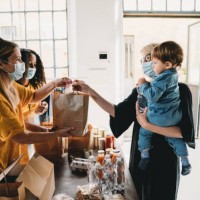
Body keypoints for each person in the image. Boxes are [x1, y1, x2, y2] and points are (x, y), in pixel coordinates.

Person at [72, 43, 195, 200]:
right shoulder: (141, 89)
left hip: (165, 161)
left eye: (148, 59)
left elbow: (183, 132)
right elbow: (117, 112)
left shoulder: (181, 90)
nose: (145, 64)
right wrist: (90, 91)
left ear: (163, 60)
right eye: (142, 60)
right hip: (141, 159)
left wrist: (147, 125)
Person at [0, 37, 74, 170]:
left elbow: (33, 96)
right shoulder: (1, 100)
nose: (22, 64)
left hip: (10, 161)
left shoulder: (11, 87)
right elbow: (21, 137)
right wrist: (55, 134)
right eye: (17, 59)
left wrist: (55, 83)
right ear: (1, 63)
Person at [137, 41, 191, 175]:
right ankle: (184, 160)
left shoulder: (161, 78)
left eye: (153, 63)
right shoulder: (174, 76)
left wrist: (142, 85)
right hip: (173, 117)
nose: (151, 66)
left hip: (159, 117)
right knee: (175, 139)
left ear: (167, 64)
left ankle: (144, 154)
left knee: (144, 132)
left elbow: (153, 96)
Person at [16, 48, 48, 124]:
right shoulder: (12, 87)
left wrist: (40, 108)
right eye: (29, 64)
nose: (33, 68)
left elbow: (32, 111)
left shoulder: (35, 86)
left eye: (35, 64)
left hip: (32, 127)